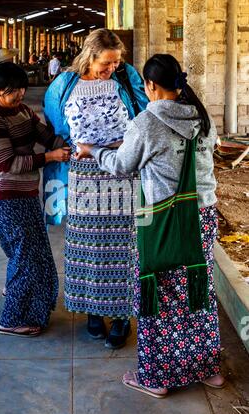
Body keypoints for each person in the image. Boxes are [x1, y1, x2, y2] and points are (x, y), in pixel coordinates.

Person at [77, 53, 225, 395]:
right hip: (202, 215)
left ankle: (156, 377)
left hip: (162, 219)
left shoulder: (148, 121)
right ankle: (206, 367)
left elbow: (122, 164)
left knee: (158, 292)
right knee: (198, 290)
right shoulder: (202, 117)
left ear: (151, 86)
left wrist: (93, 151)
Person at [43, 28, 148, 349]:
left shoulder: (127, 78)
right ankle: (92, 311)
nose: (112, 68)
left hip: (120, 171)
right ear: (90, 55)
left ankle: (119, 317)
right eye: (107, 62)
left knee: (122, 247)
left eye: (116, 63)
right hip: (83, 174)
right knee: (86, 246)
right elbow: (54, 123)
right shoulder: (64, 83)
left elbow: (142, 116)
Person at [0, 62, 71, 337]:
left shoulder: (23, 110)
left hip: (27, 194)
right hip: (5, 197)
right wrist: (50, 157)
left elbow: (44, 135)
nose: (18, 96)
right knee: (26, 258)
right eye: (12, 92)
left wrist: (70, 146)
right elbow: (8, 163)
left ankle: (28, 304)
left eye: (21, 90)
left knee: (32, 254)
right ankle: (12, 319)